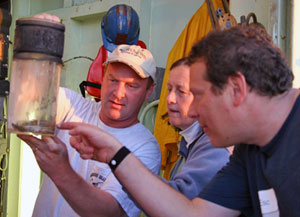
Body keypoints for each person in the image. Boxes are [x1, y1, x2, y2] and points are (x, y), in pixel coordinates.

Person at [56, 24, 300, 217]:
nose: (195, 111)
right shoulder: (249, 152)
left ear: (236, 89)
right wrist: (114, 153)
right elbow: (191, 213)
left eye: (199, 95)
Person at [18, 14, 161, 217]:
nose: (118, 93)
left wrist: (60, 169)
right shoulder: (73, 107)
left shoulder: (145, 148)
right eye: (113, 80)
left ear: (149, 92)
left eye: (132, 86)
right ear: (103, 76)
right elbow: (28, 94)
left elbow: (109, 212)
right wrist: (39, 38)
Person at [163, 57, 229, 199]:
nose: (170, 99)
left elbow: (178, 205)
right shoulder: (189, 141)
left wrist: (126, 167)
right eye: (169, 89)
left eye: (181, 91)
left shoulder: (216, 146)